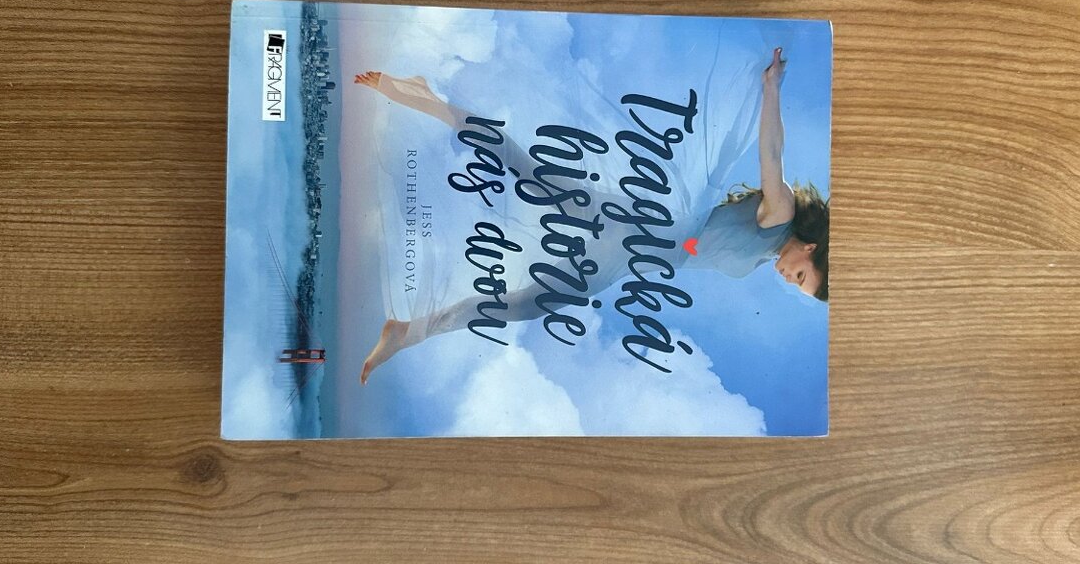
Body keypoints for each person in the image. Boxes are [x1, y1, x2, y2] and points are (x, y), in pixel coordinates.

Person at [354, 47, 828, 384]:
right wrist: (771, 89)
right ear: (810, 248)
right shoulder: (780, 214)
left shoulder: (760, 256)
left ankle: (408, 331)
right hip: (634, 228)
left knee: (528, 217)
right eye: (802, 276)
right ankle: (427, 99)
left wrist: (679, 248)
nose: (789, 280)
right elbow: (771, 154)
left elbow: (694, 247)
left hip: (629, 250)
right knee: (528, 196)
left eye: (797, 286)